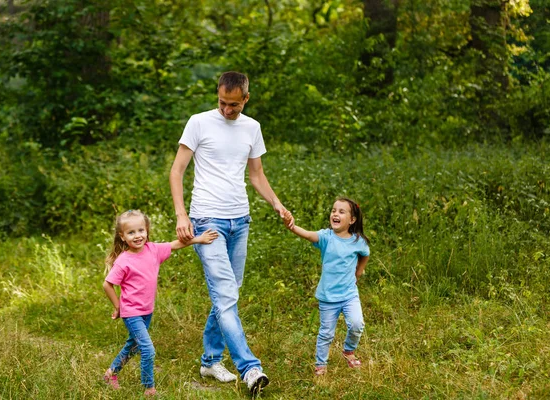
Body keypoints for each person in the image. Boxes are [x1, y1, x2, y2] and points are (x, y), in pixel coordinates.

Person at [169, 71, 293, 394]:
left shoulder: (252, 128)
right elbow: (177, 170)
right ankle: (250, 369)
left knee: (229, 294)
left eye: (234, 105)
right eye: (222, 103)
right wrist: (182, 215)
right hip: (206, 220)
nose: (227, 110)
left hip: (240, 220)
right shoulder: (198, 122)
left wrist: (278, 204)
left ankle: (210, 360)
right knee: (226, 296)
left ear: (246, 99)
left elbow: (257, 175)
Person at [102, 209, 218, 396]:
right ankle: (149, 388)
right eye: (131, 232)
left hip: (147, 311)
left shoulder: (153, 250)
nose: (137, 235)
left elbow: (175, 244)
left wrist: (199, 239)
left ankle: (110, 374)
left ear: (146, 230)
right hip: (131, 313)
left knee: (133, 346)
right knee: (148, 349)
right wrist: (118, 307)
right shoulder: (123, 261)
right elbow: (107, 284)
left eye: (140, 230)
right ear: (122, 237)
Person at [282, 197, 370, 376]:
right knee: (326, 333)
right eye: (333, 210)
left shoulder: (357, 241)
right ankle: (321, 364)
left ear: (352, 220)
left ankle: (348, 351)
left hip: (349, 294)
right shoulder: (326, 237)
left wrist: (359, 272)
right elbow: (307, 234)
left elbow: (365, 253)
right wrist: (291, 225)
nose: (335, 214)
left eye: (341, 211)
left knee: (356, 324)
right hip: (328, 297)